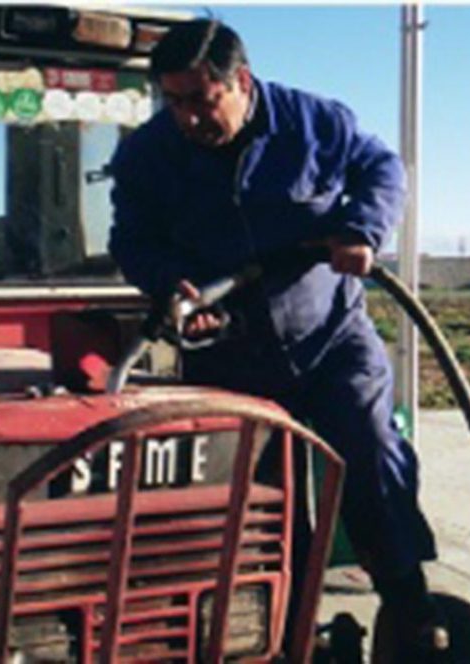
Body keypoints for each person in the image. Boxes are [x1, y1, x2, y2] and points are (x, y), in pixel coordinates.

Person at [108, 18, 442, 653]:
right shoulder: (148, 154)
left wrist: (361, 230)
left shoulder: (316, 123)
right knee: (260, 502)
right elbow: (132, 238)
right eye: (172, 102)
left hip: (330, 339)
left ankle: (409, 605)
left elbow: (383, 169)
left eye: (200, 101)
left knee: (370, 454)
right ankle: (283, 634)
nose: (186, 119)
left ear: (241, 81)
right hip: (229, 355)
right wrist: (168, 286)